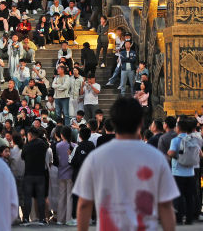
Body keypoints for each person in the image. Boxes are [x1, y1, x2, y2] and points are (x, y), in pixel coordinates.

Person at [73, 97, 179, 231]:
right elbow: (165, 206)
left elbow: (84, 204)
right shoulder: (157, 158)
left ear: (113, 123)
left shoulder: (96, 158)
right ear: (141, 122)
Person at [166, 117, 201, 225]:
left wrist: (172, 154)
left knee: (179, 196)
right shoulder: (194, 140)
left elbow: (172, 153)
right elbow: (200, 154)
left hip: (178, 172)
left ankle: (179, 218)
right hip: (191, 172)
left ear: (178, 128)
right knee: (189, 197)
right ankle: (189, 219)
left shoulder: (176, 140)